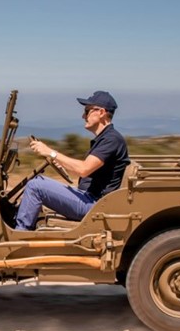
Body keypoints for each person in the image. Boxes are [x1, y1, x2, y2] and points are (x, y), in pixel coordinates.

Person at [15, 90, 130, 230]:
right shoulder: (106, 138)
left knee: (35, 187)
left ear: (101, 112)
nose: (83, 116)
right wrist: (58, 161)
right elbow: (86, 170)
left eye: (87, 111)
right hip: (90, 199)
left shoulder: (111, 139)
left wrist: (50, 152)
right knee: (39, 181)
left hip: (93, 204)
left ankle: (19, 236)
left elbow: (83, 169)